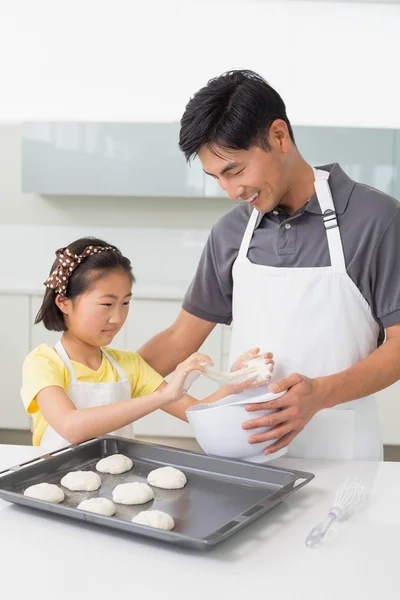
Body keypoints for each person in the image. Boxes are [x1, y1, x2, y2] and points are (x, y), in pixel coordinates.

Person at [138, 69, 400, 461]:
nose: (230, 192)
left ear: (279, 136)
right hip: (247, 455)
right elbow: (180, 339)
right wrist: (103, 369)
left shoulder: (376, 219)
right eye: (216, 178)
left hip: (343, 458)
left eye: (235, 170)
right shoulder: (231, 232)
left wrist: (320, 394)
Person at [20, 237, 271, 450]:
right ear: (64, 303)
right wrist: (164, 395)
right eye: (106, 304)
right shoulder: (43, 362)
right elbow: (71, 427)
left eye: (125, 303)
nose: (117, 317)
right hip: (54, 484)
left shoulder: (129, 364)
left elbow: (197, 414)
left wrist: (233, 383)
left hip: (114, 485)